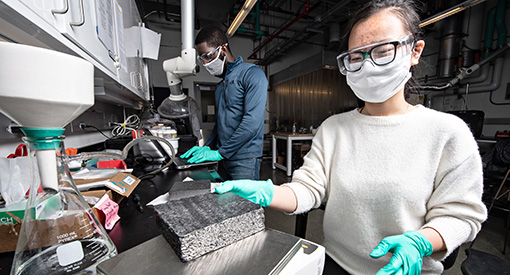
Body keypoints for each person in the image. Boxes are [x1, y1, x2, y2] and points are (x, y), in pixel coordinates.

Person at [214, 1, 488, 274]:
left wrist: (421, 243)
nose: (368, 65)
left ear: (415, 51)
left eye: (382, 51)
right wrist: (268, 191)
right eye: (356, 56)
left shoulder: (448, 133)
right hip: (334, 262)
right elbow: (309, 190)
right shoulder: (333, 129)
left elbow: (460, 215)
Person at [181, 25, 268, 181]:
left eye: (208, 56)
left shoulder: (252, 74)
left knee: (243, 204)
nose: (205, 63)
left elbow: (251, 122)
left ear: (223, 49)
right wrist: (208, 146)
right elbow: (220, 123)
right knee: (224, 203)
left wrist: (220, 152)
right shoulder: (221, 85)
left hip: (244, 160)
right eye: (202, 59)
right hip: (224, 157)